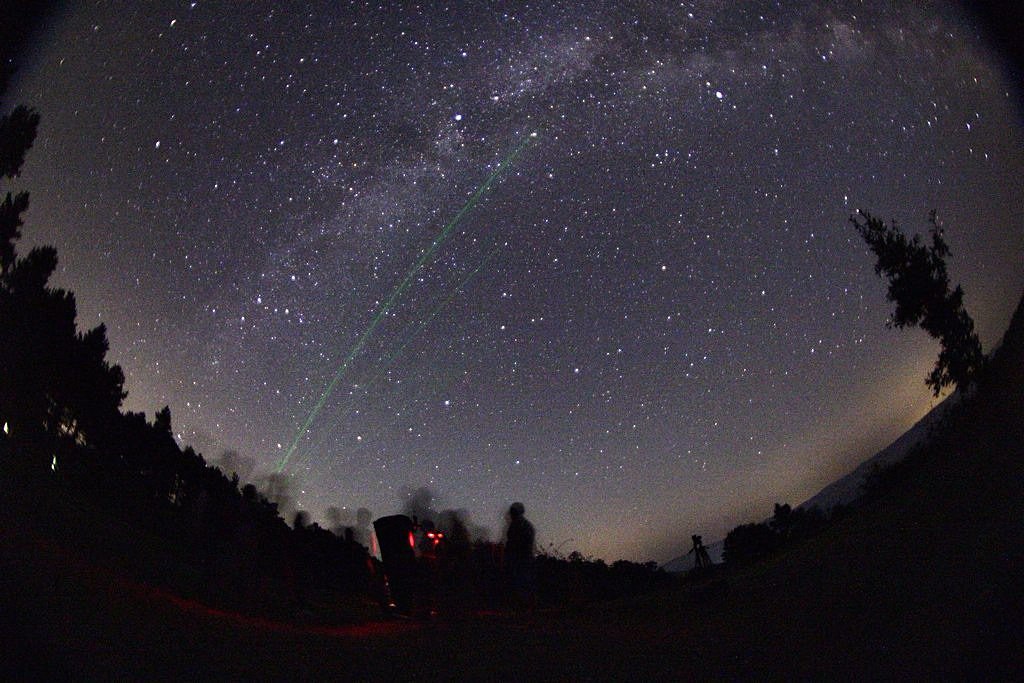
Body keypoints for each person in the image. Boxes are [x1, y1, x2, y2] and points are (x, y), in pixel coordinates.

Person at [504, 502, 536, 609]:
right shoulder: (526, 525)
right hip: (524, 557)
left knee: (520, 581)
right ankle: (524, 604)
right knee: (524, 581)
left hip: (520, 558)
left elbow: (514, 542)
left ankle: (521, 605)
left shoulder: (518, 525)